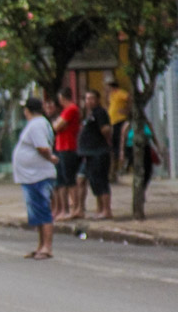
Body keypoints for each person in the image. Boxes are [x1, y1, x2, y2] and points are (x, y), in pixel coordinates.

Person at [13, 97, 58, 260]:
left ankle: (47, 246)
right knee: (37, 212)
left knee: (43, 210)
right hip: (31, 175)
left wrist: (50, 157)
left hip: (38, 175)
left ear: (27, 110)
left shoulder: (37, 124)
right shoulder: (38, 124)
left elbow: (42, 147)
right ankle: (41, 245)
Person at [77, 89, 113, 219]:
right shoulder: (89, 114)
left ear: (98, 99)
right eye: (87, 99)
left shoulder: (100, 113)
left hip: (98, 152)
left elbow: (106, 129)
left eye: (92, 98)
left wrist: (107, 141)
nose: (89, 101)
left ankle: (106, 210)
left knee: (100, 180)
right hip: (88, 153)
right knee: (92, 180)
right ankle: (99, 209)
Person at [52, 88, 82, 221]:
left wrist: (58, 124)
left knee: (70, 179)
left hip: (69, 146)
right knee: (63, 178)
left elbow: (57, 126)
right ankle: (67, 209)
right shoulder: (65, 111)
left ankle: (76, 208)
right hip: (62, 146)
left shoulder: (71, 109)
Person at [107, 81, 131, 182]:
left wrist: (127, 110)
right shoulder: (112, 95)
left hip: (119, 120)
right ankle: (114, 170)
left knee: (118, 143)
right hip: (113, 122)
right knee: (113, 146)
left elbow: (130, 98)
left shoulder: (120, 93)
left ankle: (121, 165)